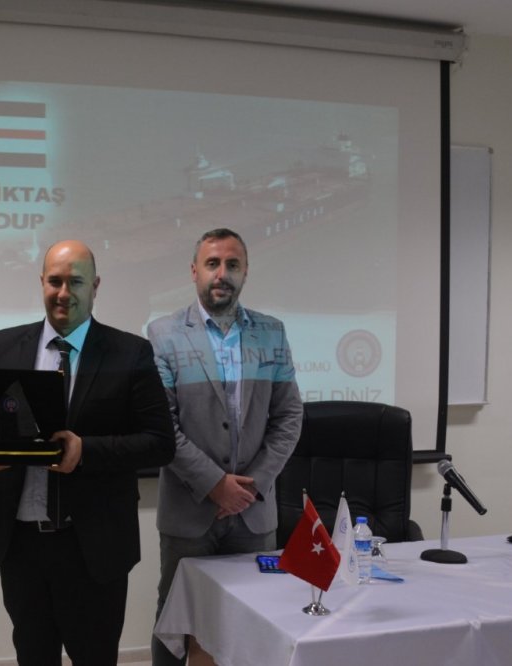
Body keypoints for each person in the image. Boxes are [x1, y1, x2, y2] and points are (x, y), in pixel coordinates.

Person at [0, 240, 175, 666]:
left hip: (93, 547)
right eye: (54, 281)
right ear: (41, 282)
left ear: (95, 286)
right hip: (21, 544)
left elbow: (160, 442)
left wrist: (84, 451)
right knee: (33, 657)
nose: (63, 292)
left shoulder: (130, 353)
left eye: (75, 282)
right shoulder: (3, 345)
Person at [147, 228, 303, 666]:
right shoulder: (163, 334)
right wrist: (216, 485)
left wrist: (250, 488)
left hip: (253, 515)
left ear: (245, 271)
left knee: (256, 622)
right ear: (194, 271)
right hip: (188, 512)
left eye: (232, 265)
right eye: (212, 263)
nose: (222, 274)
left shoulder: (272, 333)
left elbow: (289, 417)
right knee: (176, 622)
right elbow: (163, 427)